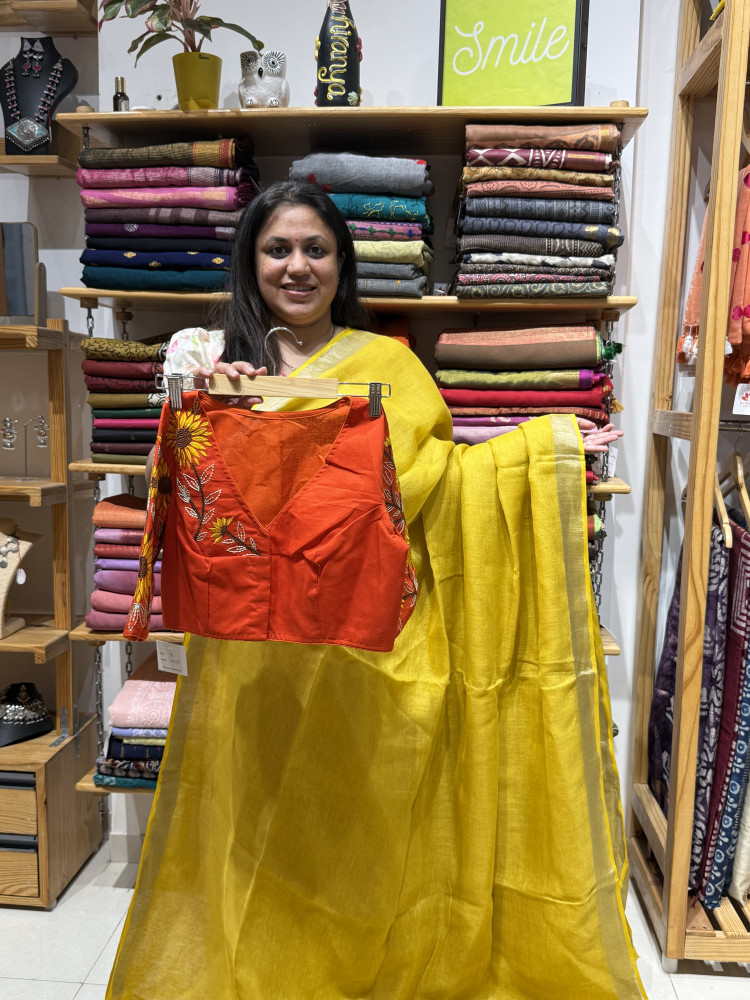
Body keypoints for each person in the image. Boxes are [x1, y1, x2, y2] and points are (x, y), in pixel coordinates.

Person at [109, 181, 644, 1000]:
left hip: (363, 652)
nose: (297, 267)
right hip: (255, 657)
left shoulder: (388, 365)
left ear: (341, 265)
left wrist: (541, 453)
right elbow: (183, 491)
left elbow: (430, 481)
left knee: (355, 832)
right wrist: (228, 409)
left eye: (315, 250)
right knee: (260, 832)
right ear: (250, 263)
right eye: (278, 249)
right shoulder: (208, 359)